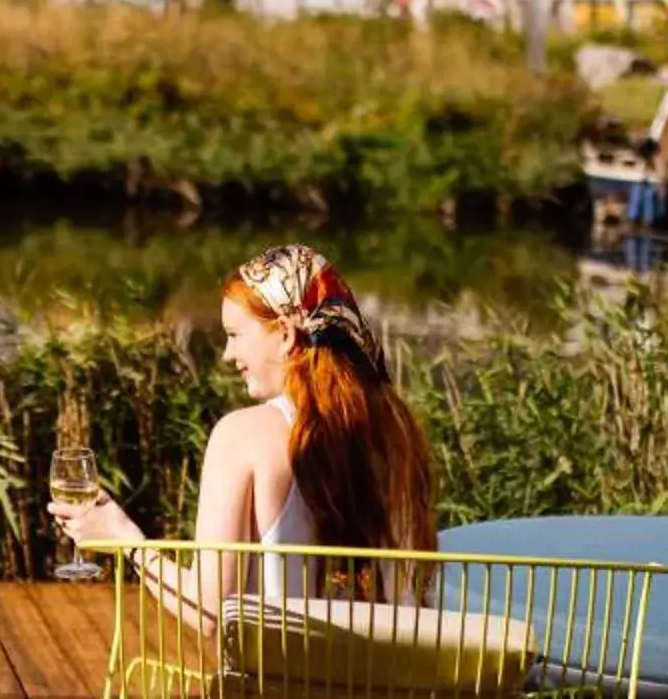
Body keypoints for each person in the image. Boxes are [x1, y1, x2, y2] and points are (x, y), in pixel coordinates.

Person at [49, 244, 437, 609]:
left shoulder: (242, 435)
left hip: (279, 679)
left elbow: (207, 613)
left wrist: (124, 540)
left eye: (235, 335)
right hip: (389, 677)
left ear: (285, 334)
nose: (228, 354)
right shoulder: (398, 431)